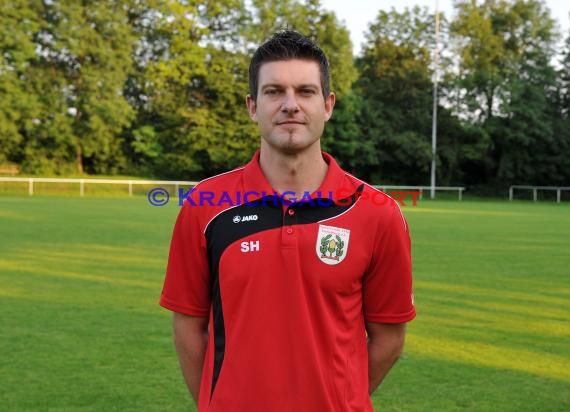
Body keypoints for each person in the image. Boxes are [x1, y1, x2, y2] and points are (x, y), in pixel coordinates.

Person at [159, 29, 415, 411]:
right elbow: (188, 328)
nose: (290, 105)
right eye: (274, 91)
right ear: (252, 106)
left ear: (328, 105)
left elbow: (389, 338)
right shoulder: (205, 206)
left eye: (306, 92)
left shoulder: (378, 213)